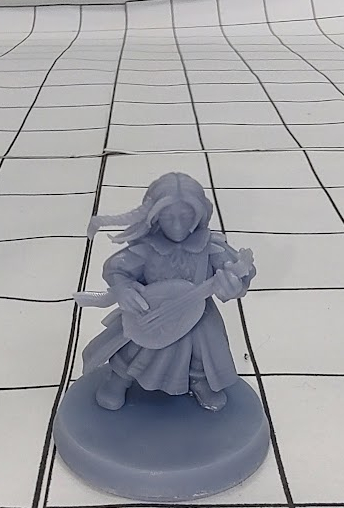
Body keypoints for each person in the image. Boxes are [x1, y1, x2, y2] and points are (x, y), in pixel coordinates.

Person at [81, 172, 256, 412]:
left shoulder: (210, 246)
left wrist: (234, 283)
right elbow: (116, 268)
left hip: (197, 313)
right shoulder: (147, 248)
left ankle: (198, 381)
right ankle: (118, 380)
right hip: (151, 309)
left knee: (203, 348)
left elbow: (238, 271)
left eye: (185, 216)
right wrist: (122, 289)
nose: (177, 225)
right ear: (155, 217)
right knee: (135, 348)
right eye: (168, 217)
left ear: (199, 214)